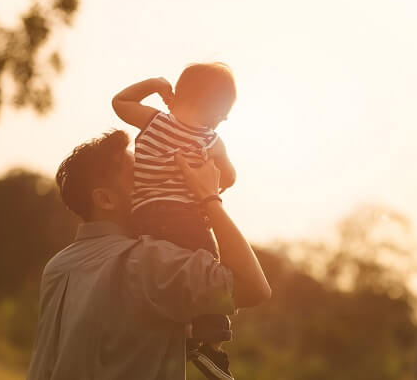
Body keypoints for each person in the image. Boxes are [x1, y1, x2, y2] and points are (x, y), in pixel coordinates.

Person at [26, 130, 271, 380]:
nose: (156, 182)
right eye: (139, 175)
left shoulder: (58, 266)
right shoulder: (147, 260)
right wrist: (209, 197)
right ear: (105, 199)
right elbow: (253, 286)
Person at [111, 63, 239, 378]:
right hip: (187, 220)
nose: (223, 119)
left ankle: (168, 334)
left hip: (143, 219)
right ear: (216, 109)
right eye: (224, 113)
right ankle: (211, 347)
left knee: (156, 275)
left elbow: (120, 102)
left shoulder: (153, 120)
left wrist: (156, 84)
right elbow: (231, 177)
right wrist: (213, 180)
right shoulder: (211, 140)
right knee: (212, 275)